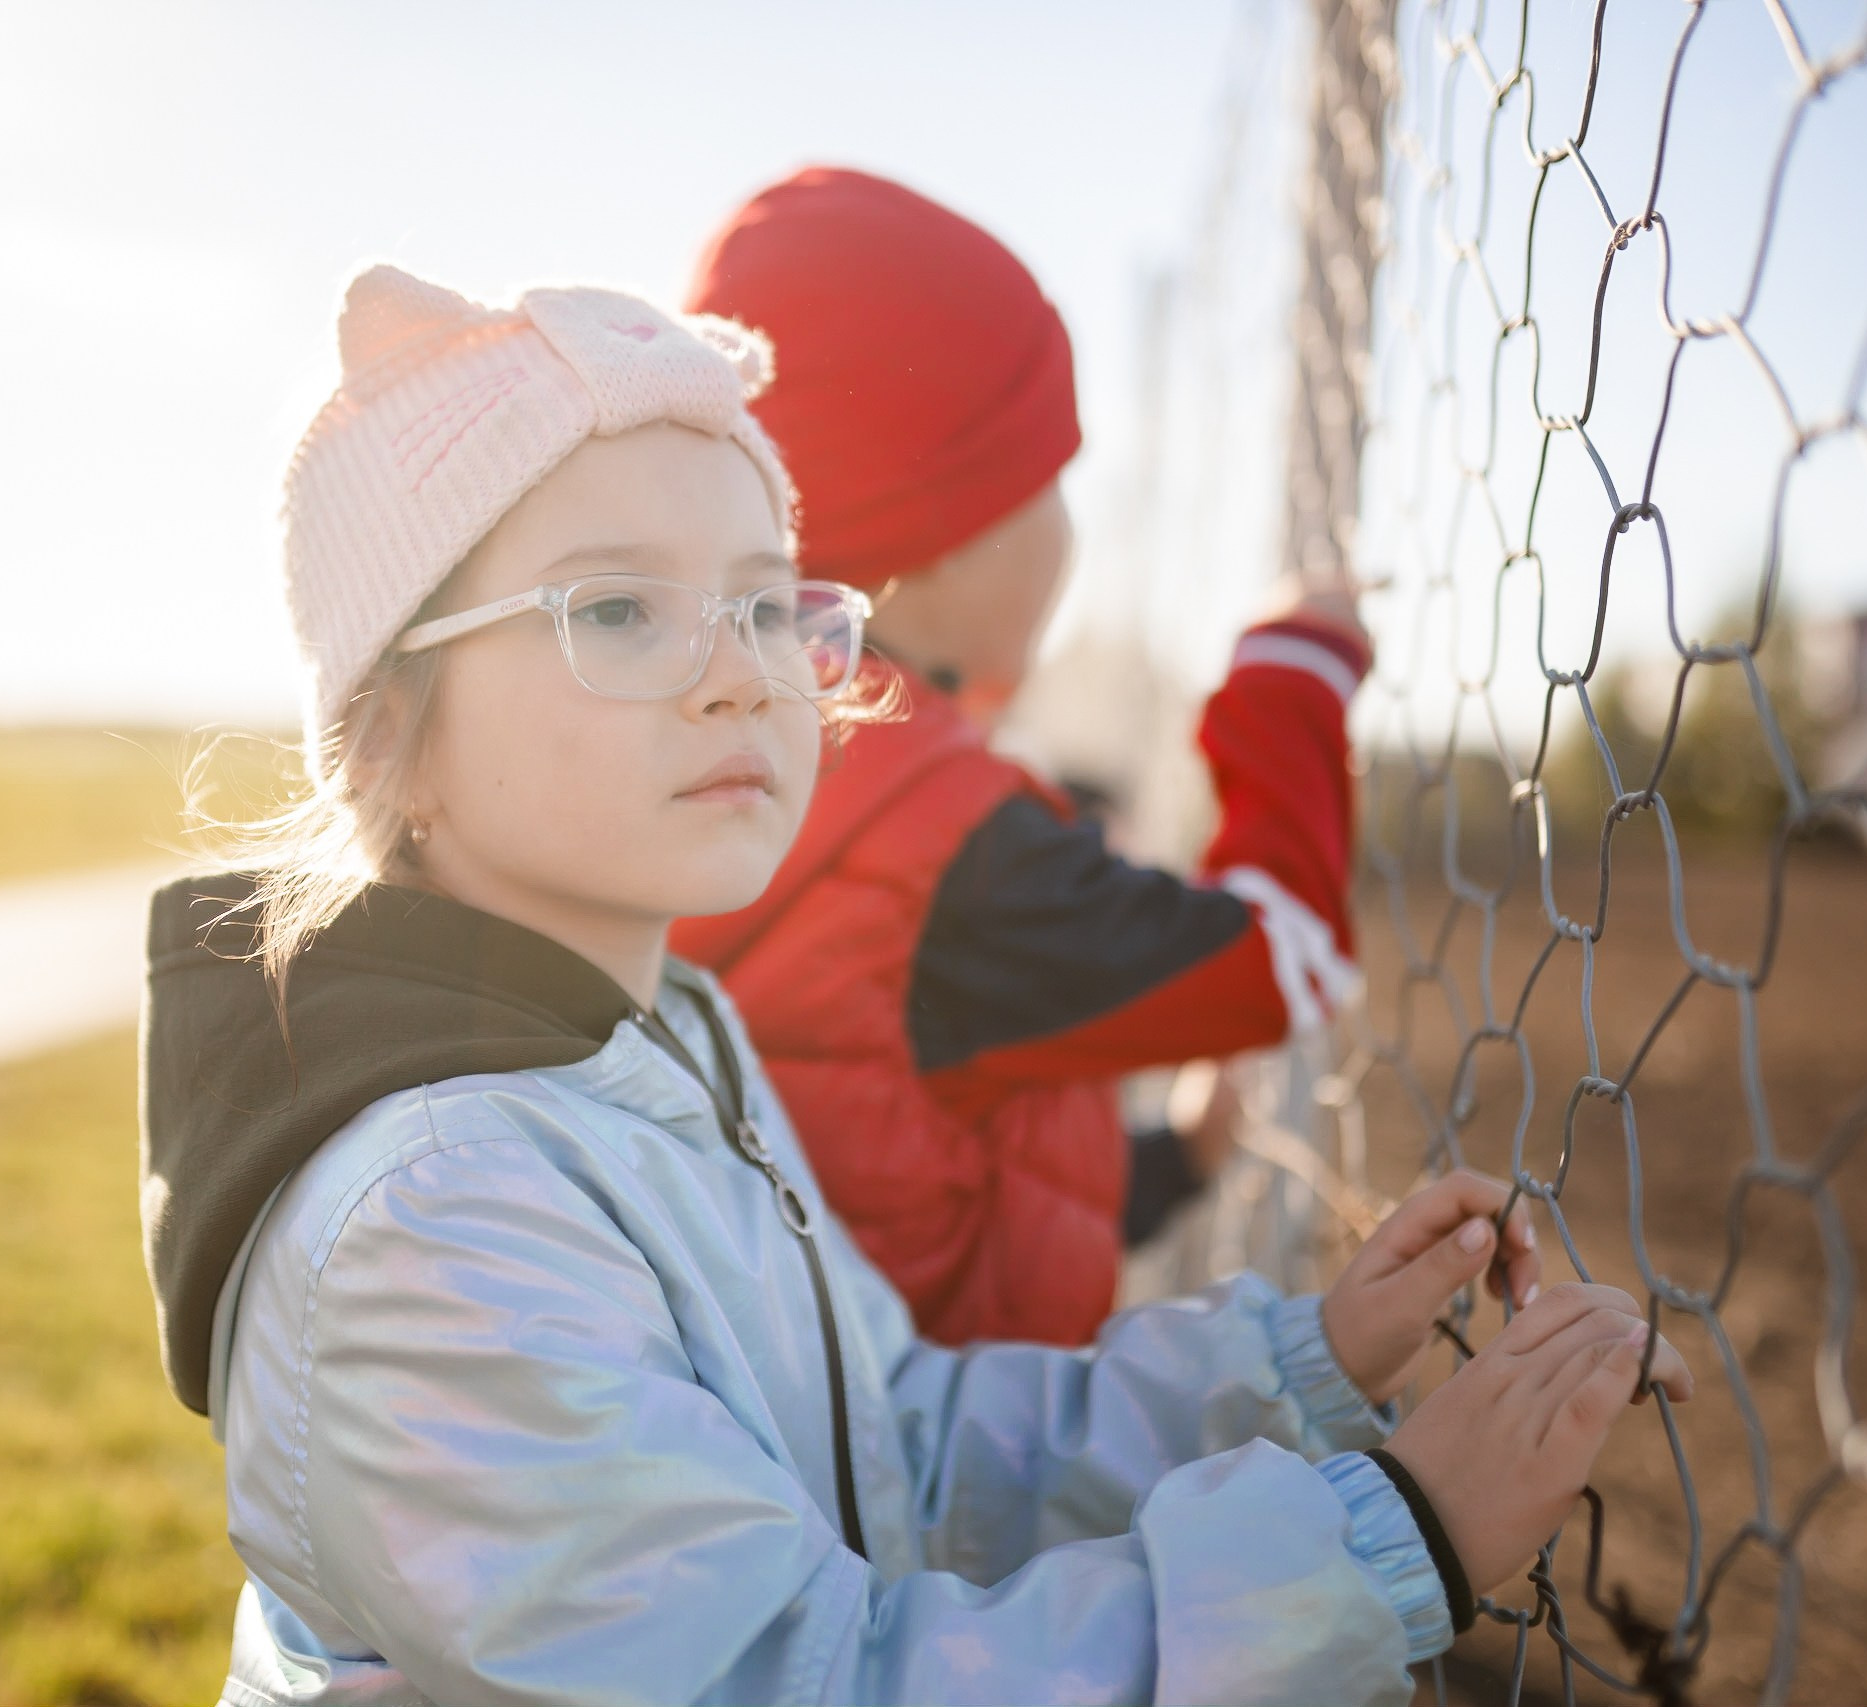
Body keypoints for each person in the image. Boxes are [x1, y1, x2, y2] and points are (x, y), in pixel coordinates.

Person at [136, 262, 1691, 1706]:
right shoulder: (437, 1223)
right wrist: (1392, 1536)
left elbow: (901, 1434)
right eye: (616, 606)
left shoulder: (668, 1039)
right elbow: (818, 1676)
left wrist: (1298, 1360)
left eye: (766, 600)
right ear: (386, 730)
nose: (743, 665)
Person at [673, 168, 1376, 1346]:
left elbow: (896, 1153)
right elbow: (1287, 958)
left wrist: (1167, 1169)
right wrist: (1292, 672)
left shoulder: (758, 752)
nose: (1073, 527)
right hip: (927, 1490)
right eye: (1050, 477)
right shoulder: (948, 840)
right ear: (940, 535)